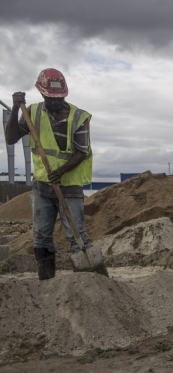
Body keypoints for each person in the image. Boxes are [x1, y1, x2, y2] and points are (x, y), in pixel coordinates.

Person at [4, 68, 94, 280]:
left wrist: (61, 171)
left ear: (65, 94)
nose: (55, 102)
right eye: (51, 98)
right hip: (42, 188)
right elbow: (10, 139)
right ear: (42, 94)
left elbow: (82, 152)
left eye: (59, 97)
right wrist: (17, 108)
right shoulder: (32, 113)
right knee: (42, 235)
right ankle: (47, 281)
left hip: (70, 186)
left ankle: (89, 279)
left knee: (76, 234)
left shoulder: (78, 117)